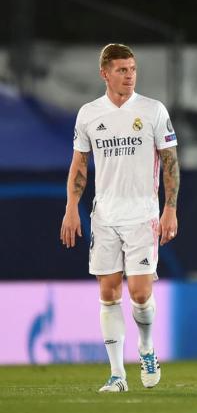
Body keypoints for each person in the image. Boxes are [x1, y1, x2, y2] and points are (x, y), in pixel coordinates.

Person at [60, 43, 180, 392]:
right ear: (105, 73)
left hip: (143, 215)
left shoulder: (153, 110)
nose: (129, 76)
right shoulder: (89, 114)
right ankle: (117, 375)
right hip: (105, 216)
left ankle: (146, 348)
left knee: (140, 295)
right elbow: (79, 165)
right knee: (109, 292)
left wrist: (170, 208)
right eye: (122, 70)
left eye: (133, 69)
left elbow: (170, 161)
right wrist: (71, 207)